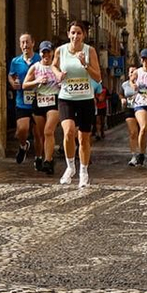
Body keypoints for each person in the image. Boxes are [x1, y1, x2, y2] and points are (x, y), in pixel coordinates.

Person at [56, 20, 102, 188]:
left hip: (85, 99)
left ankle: (83, 172)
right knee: (68, 132)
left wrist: (85, 65)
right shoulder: (60, 50)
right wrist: (57, 74)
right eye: (73, 33)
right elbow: (53, 66)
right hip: (66, 97)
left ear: (84, 35)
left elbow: (98, 77)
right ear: (68, 34)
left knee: (83, 138)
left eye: (79, 33)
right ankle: (70, 167)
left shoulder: (90, 51)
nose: (75, 36)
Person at [21, 41, 62, 175]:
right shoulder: (35, 67)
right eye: (43, 52)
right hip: (39, 101)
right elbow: (24, 85)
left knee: (48, 131)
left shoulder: (57, 67)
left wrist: (62, 81)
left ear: (52, 53)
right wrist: (37, 81)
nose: (46, 55)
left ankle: (48, 161)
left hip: (54, 100)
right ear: (39, 53)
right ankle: (44, 157)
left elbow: (65, 80)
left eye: (48, 52)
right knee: (40, 134)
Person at [8, 33, 40, 165]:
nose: (25, 45)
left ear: (33, 43)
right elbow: (11, 75)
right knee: (22, 129)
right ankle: (23, 145)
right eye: (22, 43)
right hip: (22, 101)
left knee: (38, 133)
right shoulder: (15, 61)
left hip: (39, 100)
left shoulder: (39, 58)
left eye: (27, 42)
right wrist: (13, 83)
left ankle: (39, 158)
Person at [119, 72, 140, 162]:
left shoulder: (141, 82)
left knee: (141, 131)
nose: (132, 74)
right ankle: (134, 155)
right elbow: (121, 94)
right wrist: (122, 99)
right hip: (129, 109)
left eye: (134, 72)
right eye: (131, 72)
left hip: (140, 108)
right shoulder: (125, 84)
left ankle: (143, 148)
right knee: (133, 132)